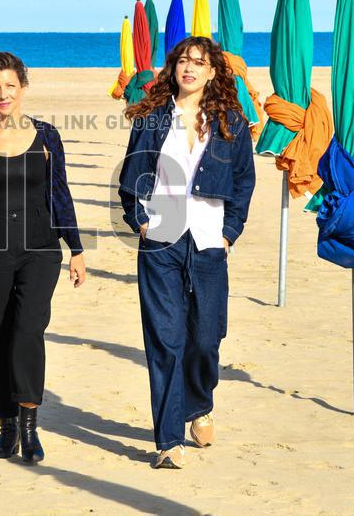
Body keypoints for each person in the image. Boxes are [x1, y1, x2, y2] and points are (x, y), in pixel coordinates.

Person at [118, 36, 255, 469]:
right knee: (165, 340)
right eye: (182, 61)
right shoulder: (153, 117)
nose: (189, 68)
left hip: (210, 241)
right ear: (173, 68)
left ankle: (199, 404)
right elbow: (131, 177)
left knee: (206, 338)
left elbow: (244, 181)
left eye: (198, 62)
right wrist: (141, 221)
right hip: (161, 240)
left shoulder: (231, 122)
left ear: (212, 72)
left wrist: (229, 232)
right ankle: (168, 439)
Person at [0, 51, 86, 464]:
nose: (3, 94)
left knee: (28, 331)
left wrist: (76, 247)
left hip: (39, 250)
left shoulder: (47, 137)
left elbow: (60, 192)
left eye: (10, 85)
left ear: (23, 87)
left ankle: (29, 427)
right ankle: (6, 429)